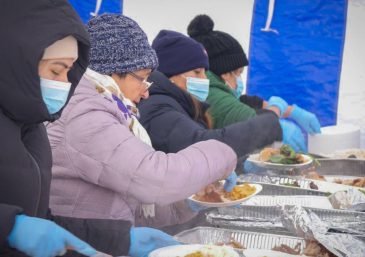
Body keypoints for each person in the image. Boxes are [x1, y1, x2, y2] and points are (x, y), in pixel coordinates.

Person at [0, 2, 181, 257]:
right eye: (56, 70)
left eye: (70, 71)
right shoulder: (86, 113)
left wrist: (120, 240)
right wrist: (8, 225)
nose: (64, 83)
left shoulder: (33, 127)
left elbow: (44, 224)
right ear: (18, 59)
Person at [47, 13, 237, 233]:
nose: (146, 92)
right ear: (113, 71)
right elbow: (155, 178)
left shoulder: (105, 107)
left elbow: (129, 204)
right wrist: (221, 155)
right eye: (143, 77)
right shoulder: (85, 114)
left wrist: (186, 203)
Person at [138, 30, 303, 167]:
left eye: (205, 72)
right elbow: (200, 145)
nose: (204, 79)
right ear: (172, 74)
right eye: (197, 72)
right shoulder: (159, 107)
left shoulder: (180, 104)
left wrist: (237, 164)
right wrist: (269, 122)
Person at [187, 15, 321, 145]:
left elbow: (242, 102)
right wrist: (277, 110)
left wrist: (291, 110)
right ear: (225, 73)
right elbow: (258, 124)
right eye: (238, 73)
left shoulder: (214, 87)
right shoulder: (211, 94)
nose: (239, 79)